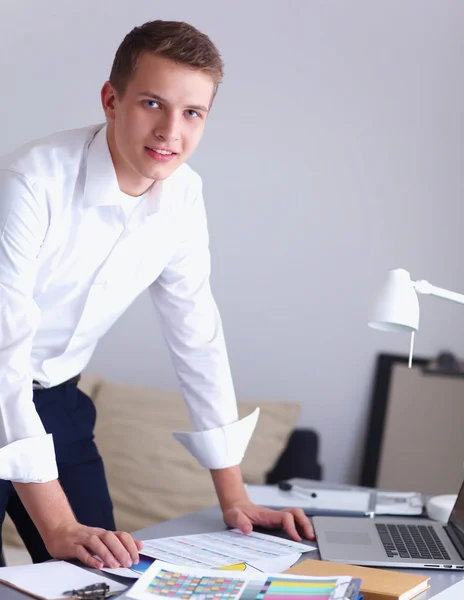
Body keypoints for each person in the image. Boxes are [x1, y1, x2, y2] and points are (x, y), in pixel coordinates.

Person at [0, 20, 314, 570]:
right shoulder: (29, 181)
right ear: (111, 99)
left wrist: (233, 495)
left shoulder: (184, 196)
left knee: (105, 571)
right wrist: (56, 524)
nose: (171, 130)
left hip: (57, 402)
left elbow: (198, 338)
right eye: (152, 102)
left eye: (192, 113)